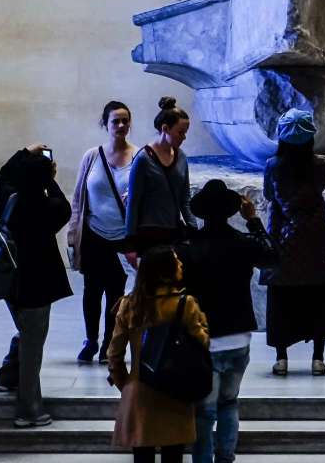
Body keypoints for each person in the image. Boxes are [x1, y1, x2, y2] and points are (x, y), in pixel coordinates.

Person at [185, 179, 277, 463]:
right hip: (238, 336)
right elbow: (272, 256)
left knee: (204, 411)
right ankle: (225, 457)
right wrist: (254, 221)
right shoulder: (243, 243)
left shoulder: (190, 248)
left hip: (204, 338)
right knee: (229, 402)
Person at [0, 144, 73, 427]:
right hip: (37, 286)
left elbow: (2, 176)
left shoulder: (10, 199)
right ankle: (28, 409)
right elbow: (64, 204)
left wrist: (24, 152)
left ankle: (5, 377)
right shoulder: (50, 207)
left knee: (26, 332)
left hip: (10, 283)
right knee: (32, 344)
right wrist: (49, 178)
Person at [107, 245, 210, 463]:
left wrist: (126, 385)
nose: (181, 264)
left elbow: (114, 354)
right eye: (176, 261)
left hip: (139, 391)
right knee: (173, 456)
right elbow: (203, 343)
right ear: (165, 271)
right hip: (175, 391)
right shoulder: (185, 304)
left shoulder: (129, 304)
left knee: (142, 457)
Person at [259, 109, 325, 379]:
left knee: (281, 298)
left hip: (283, 238)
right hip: (315, 238)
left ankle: (281, 359)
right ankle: (318, 358)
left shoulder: (273, 165)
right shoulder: (323, 164)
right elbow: (320, 188)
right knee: (318, 297)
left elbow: (270, 194)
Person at [68, 100, 138, 364]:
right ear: (105, 124)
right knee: (91, 290)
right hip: (94, 234)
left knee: (116, 292)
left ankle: (110, 341)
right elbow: (78, 198)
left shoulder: (139, 156)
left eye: (125, 120)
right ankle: (91, 339)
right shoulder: (92, 156)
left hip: (122, 236)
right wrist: (73, 234)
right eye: (115, 121)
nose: (121, 125)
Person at [124, 97, 198, 258]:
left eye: (185, 133)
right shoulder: (143, 158)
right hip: (149, 235)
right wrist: (130, 243)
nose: (184, 137)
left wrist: (193, 228)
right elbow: (133, 202)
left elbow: (185, 198)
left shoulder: (181, 157)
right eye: (180, 132)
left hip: (173, 233)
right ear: (165, 128)